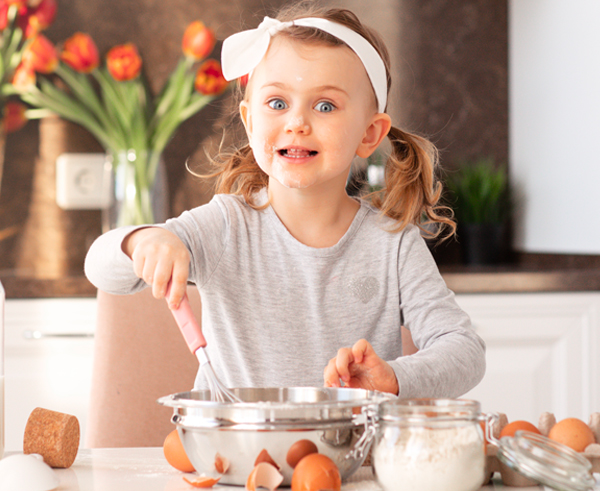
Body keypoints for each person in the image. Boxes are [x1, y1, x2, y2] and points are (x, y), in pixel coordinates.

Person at [85, 3, 485, 397]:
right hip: (237, 456)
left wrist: (394, 378)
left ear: (369, 134)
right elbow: (100, 267)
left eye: (325, 105)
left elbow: (464, 351)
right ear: (249, 120)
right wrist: (143, 241)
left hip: (349, 460)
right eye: (277, 103)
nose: (297, 122)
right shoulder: (224, 227)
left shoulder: (392, 245)